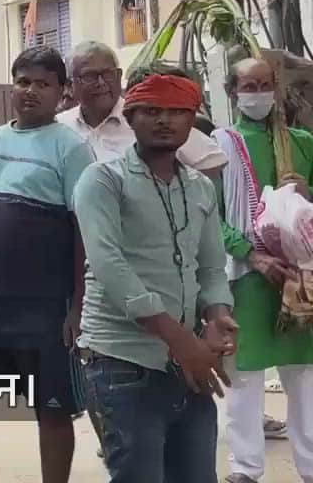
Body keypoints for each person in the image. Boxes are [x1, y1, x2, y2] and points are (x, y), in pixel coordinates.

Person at [0, 46, 95, 483]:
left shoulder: (72, 147)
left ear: (62, 93)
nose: (31, 91)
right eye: (23, 81)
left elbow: (83, 232)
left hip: (46, 310)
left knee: (52, 410)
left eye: (43, 84)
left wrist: (78, 307)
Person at [73, 71, 238, 481]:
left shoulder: (200, 187)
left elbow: (212, 267)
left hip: (187, 361)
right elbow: (110, 268)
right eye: (151, 111)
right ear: (130, 118)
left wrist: (217, 319)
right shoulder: (102, 180)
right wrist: (183, 341)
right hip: (122, 361)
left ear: (192, 120)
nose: (165, 120)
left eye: (178, 112)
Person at [215, 57, 313, 483]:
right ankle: (246, 470)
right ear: (232, 93)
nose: (258, 94)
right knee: (246, 376)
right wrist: (251, 254)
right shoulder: (218, 147)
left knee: (306, 378)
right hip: (247, 278)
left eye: (264, 85)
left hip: (302, 276)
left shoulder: (303, 142)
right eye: (248, 86)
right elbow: (208, 214)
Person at [58, 42, 226, 176]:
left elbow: (212, 160)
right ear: (70, 85)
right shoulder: (60, 126)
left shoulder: (144, 116)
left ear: (118, 76)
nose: (101, 83)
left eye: (108, 74)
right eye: (89, 76)